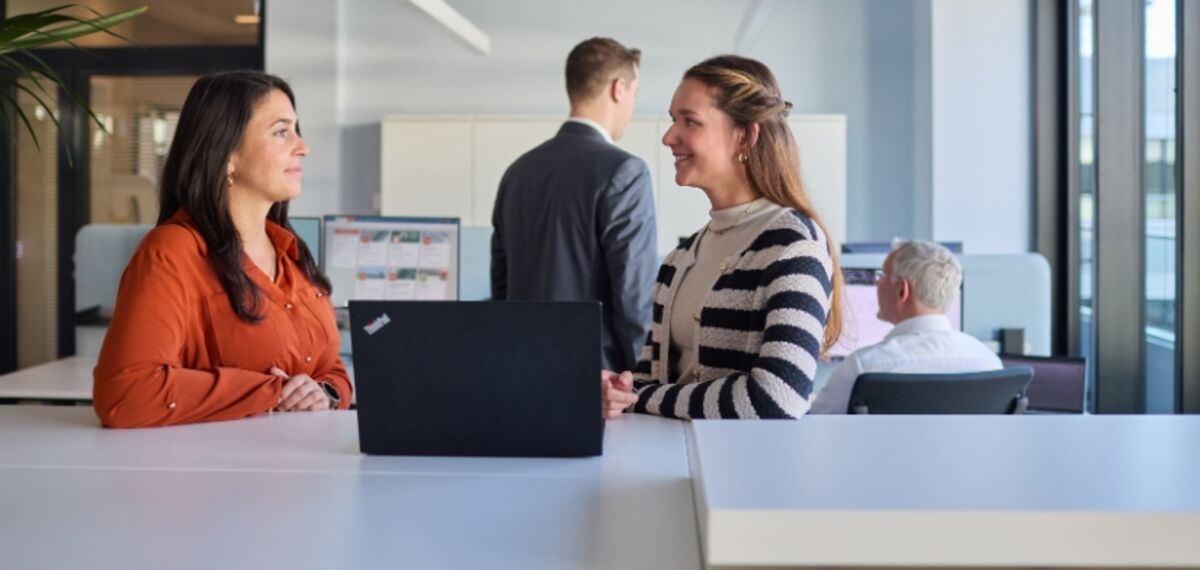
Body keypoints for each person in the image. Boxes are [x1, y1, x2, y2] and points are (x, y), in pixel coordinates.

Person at [93, 71, 351, 428]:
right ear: (227, 154)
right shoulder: (173, 251)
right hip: (219, 475)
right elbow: (126, 393)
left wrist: (326, 393)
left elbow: (329, 369)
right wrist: (270, 391)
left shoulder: (292, 253)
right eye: (281, 131)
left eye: (297, 129)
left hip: (301, 470)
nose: (302, 146)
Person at [602, 55, 844, 420]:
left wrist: (643, 398)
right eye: (673, 120)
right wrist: (620, 393)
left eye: (690, 121)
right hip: (671, 464)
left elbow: (777, 399)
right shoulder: (678, 259)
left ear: (744, 135)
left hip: (747, 472)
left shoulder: (793, 245)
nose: (669, 137)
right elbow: (647, 380)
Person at [491, 37, 656, 372]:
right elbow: (635, 297)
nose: (632, 108)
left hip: (522, 369)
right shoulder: (625, 172)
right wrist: (645, 378)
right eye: (634, 95)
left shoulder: (517, 172)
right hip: (597, 381)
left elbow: (502, 287)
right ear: (618, 88)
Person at [808, 240, 1002, 413]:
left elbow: (815, 424)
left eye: (882, 275)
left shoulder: (864, 367)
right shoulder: (990, 363)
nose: (877, 283)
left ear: (903, 290)